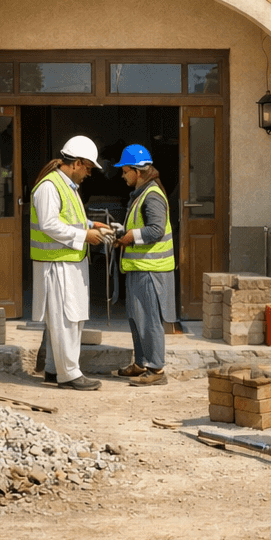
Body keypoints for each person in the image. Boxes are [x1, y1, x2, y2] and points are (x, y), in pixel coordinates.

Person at [30, 136, 112, 390]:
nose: (89, 174)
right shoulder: (49, 186)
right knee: (64, 320)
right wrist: (84, 235)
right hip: (56, 263)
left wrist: (91, 225)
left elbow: (68, 219)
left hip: (68, 260)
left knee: (71, 318)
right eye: (88, 168)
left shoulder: (66, 187)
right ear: (76, 163)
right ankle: (70, 375)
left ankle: (56, 370)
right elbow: (50, 224)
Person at [113, 145, 176, 387]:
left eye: (125, 170)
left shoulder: (152, 195)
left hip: (151, 270)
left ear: (137, 171)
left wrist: (130, 237)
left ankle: (156, 369)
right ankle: (141, 363)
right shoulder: (143, 193)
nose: (122, 175)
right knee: (136, 318)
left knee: (150, 321)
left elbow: (157, 230)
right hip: (139, 268)